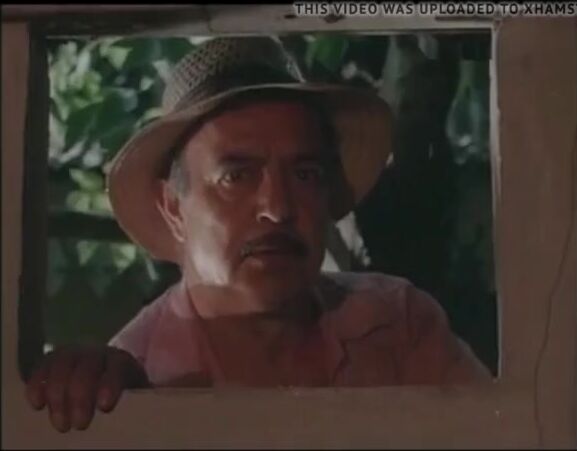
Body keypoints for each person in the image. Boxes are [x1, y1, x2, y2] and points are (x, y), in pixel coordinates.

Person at [26, 36, 491, 432]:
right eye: (236, 176)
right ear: (173, 208)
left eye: (305, 174)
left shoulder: (397, 323)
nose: (278, 208)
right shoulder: (125, 387)